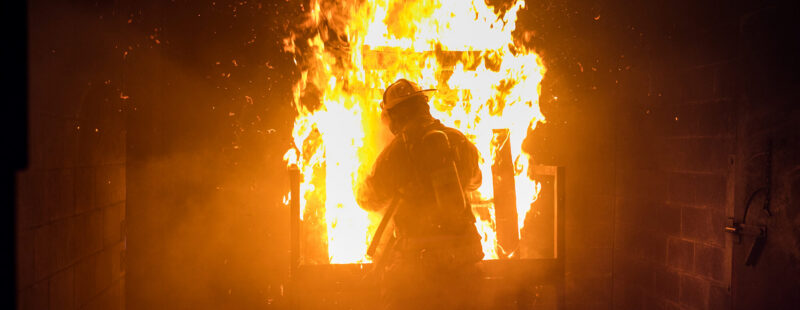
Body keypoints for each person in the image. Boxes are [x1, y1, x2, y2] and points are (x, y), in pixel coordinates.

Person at [357, 78, 485, 310]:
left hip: (418, 269)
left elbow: (367, 198)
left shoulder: (395, 153)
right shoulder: (459, 140)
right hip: (464, 261)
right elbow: (476, 181)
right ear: (424, 105)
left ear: (395, 116)